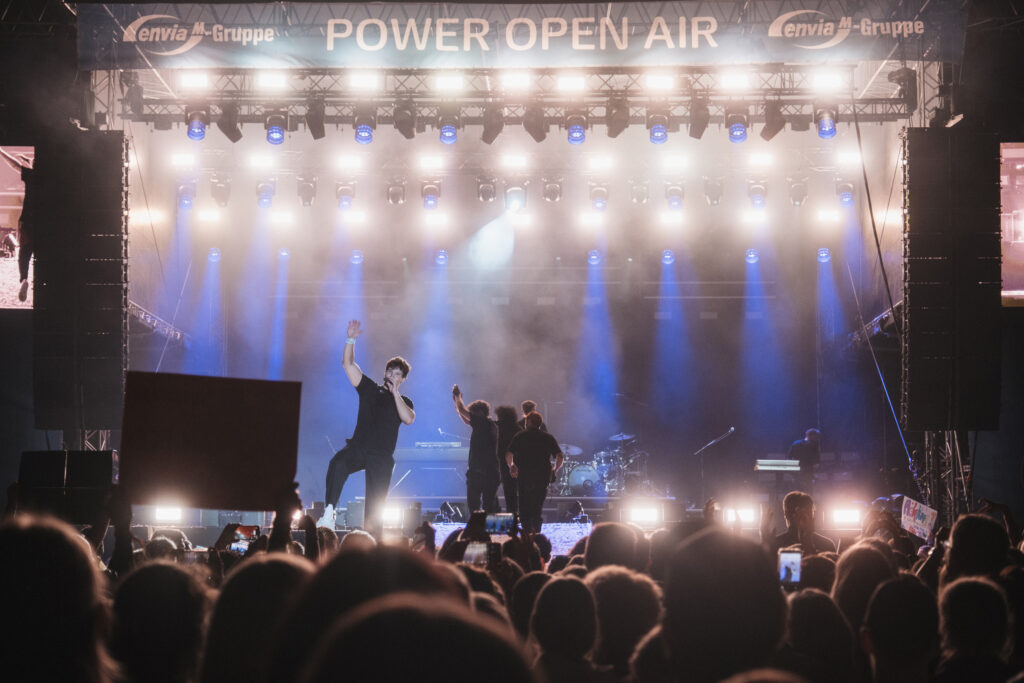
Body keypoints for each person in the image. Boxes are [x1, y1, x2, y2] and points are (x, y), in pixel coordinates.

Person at [319, 319, 415, 538]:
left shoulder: (404, 400)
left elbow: (408, 419)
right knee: (338, 463)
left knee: (376, 503)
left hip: (381, 456)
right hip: (360, 447)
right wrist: (350, 339)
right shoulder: (370, 389)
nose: (392, 375)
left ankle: (372, 541)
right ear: (385, 372)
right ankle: (329, 513)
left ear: (402, 379)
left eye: (397, 374)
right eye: (390, 371)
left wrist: (395, 393)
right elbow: (348, 364)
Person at [507, 411, 563, 534]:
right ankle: (536, 535)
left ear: (529, 422)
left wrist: (512, 465)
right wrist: (555, 470)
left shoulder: (520, 436)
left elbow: (509, 453)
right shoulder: (548, 437)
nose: (525, 423)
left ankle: (526, 535)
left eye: (526, 421)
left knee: (524, 507)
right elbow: (559, 456)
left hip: (524, 476)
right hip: (542, 477)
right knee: (537, 507)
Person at [452, 385, 500, 513]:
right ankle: (487, 531)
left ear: (480, 412)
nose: (471, 415)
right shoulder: (490, 425)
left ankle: (477, 530)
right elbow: (466, 418)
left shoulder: (482, 422)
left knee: (474, 505)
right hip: (491, 472)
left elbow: (463, 411)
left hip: (480, 471)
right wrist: (458, 406)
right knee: (488, 505)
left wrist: (457, 397)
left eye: (473, 413)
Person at [764, 491, 837, 555]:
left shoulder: (775, 544)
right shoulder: (826, 544)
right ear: (812, 516)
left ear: (786, 515)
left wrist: (766, 545)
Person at [495, 405, 522, 514]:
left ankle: (495, 512)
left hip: (496, 462)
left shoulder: (496, 426)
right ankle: (513, 516)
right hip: (513, 464)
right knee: (511, 492)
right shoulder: (518, 428)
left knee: (490, 491)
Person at [787, 428, 821, 493]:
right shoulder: (814, 446)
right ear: (812, 436)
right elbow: (817, 463)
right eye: (816, 437)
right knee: (808, 491)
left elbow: (789, 457)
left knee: (797, 491)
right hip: (808, 473)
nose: (816, 439)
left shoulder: (796, 443)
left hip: (797, 471)